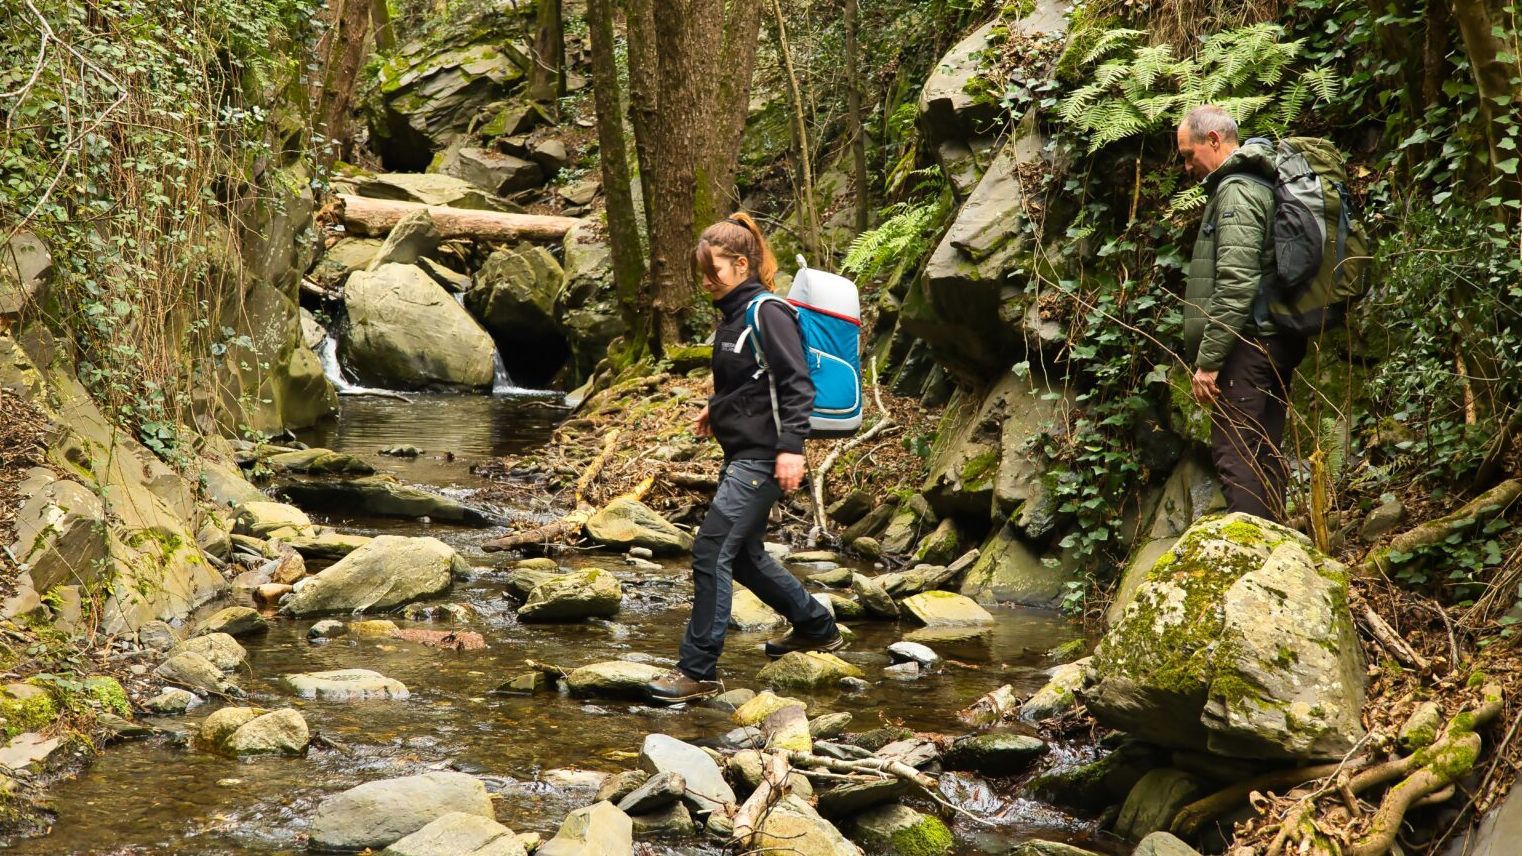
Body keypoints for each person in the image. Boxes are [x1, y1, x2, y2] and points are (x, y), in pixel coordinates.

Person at [645, 212, 843, 704]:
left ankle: (698, 671)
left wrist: (792, 450)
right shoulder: (734, 317)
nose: (706, 281)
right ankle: (816, 626)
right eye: (702, 273)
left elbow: (796, 383)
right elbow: (751, 380)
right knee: (748, 559)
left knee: (711, 551)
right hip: (743, 453)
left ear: (741, 263)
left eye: (713, 270)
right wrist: (715, 409)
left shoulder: (768, 312)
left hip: (763, 457)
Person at [1177, 104, 1307, 524]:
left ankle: (1252, 568)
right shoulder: (1260, 183)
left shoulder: (1236, 191)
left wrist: (1209, 363)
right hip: (1275, 338)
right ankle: (1276, 558)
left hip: (1250, 342)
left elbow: (1236, 281)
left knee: (1236, 453)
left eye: (1188, 154)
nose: (1186, 166)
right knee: (1264, 448)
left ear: (1213, 141)